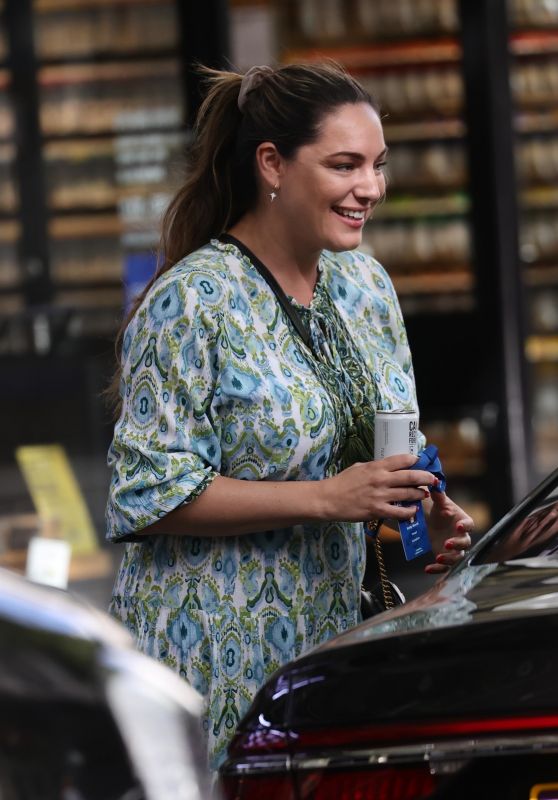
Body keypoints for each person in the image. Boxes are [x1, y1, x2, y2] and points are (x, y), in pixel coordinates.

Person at [105, 61, 474, 770]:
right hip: (213, 651)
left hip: (331, 643)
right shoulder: (193, 300)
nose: (371, 187)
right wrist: (329, 498)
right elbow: (145, 492)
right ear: (271, 163)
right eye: (344, 165)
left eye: (377, 165)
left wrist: (411, 507)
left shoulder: (366, 284)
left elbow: (382, 449)